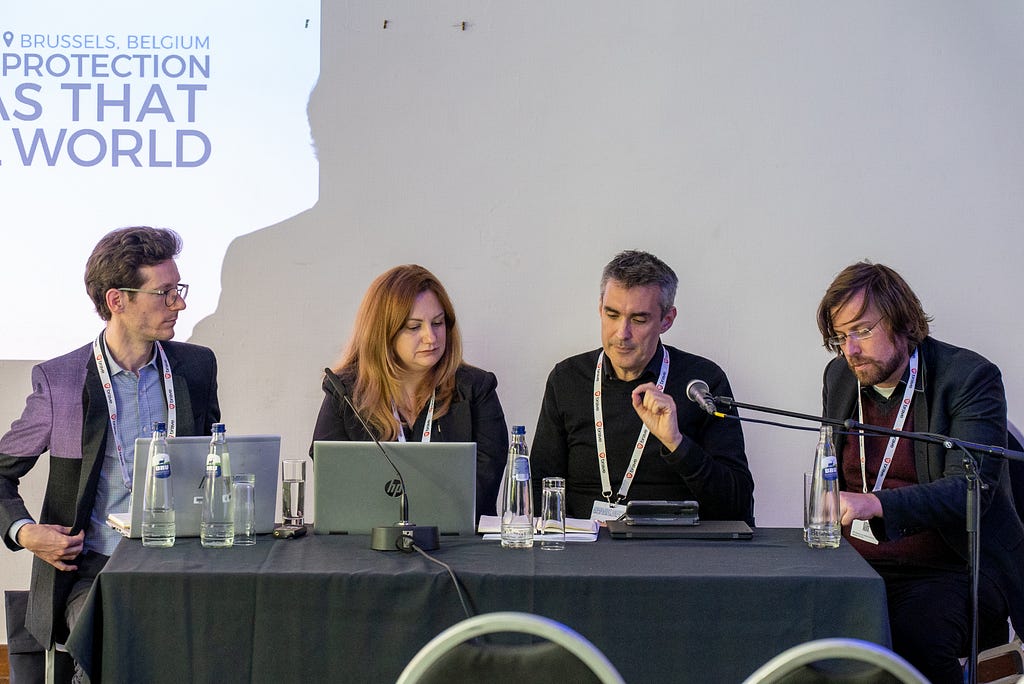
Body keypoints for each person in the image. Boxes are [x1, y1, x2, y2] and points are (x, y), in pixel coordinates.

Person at [0, 227, 221, 662]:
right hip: (95, 569)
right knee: (117, 637)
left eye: (178, 289)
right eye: (165, 293)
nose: (179, 303)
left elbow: (211, 460)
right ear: (117, 301)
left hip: (183, 559)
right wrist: (26, 533)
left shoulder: (196, 367)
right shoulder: (61, 382)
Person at [817, 261, 1024, 683]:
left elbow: (969, 492)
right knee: (793, 618)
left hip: (951, 565)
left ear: (901, 320)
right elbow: (831, 465)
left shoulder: (968, 377)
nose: (850, 350)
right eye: (841, 337)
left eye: (863, 330)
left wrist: (875, 503)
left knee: (915, 637)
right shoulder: (840, 376)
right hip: (858, 563)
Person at [531, 250, 754, 523]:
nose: (621, 333)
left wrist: (677, 444)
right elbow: (539, 492)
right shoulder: (567, 378)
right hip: (585, 549)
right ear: (600, 307)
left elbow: (739, 506)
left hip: (673, 550)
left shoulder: (700, 383)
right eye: (612, 315)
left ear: (666, 320)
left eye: (638, 320)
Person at [311, 264, 508, 518]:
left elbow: (482, 490)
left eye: (438, 323)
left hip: (457, 548)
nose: (431, 337)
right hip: (366, 546)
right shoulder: (344, 392)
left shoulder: (476, 389)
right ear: (383, 334)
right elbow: (335, 485)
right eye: (414, 327)